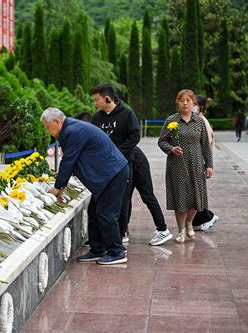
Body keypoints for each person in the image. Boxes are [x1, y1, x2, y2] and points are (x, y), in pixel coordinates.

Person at [41, 107, 129, 265]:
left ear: (56, 121)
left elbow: (68, 160)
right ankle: (98, 249)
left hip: (113, 173)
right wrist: (60, 188)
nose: (48, 132)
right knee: (94, 211)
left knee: (106, 213)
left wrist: (57, 187)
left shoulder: (73, 130)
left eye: (48, 127)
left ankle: (116, 252)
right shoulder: (68, 130)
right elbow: (72, 161)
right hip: (108, 174)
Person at [158, 89, 213, 244]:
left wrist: (209, 165)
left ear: (193, 103)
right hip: (177, 165)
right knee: (181, 198)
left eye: (188, 100)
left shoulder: (199, 121)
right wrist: (171, 149)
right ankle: (181, 229)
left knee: (196, 197)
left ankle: (190, 222)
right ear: (178, 103)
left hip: (196, 164)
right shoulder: (171, 121)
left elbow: (205, 146)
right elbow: (162, 141)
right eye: (182, 100)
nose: (185, 103)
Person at [90, 83, 140, 244]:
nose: (95, 103)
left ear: (107, 98)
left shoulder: (127, 114)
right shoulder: (96, 118)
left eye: (97, 100)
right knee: (99, 203)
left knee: (123, 201)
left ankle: (120, 233)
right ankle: (100, 238)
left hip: (124, 165)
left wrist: (117, 153)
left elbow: (134, 136)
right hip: (103, 169)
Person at [129, 146, 173, 245]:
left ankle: (162, 229)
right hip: (128, 160)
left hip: (137, 161)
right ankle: (122, 229)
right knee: (125, 196)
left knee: (147, 196)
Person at [192, 95, 219, 231]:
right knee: (195, 191)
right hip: (196, 161)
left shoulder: (202, 121)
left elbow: (206, 143)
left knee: (197, 192)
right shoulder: (196, 120)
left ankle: (208, 216)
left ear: (201, 107)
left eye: (194, 103)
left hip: (200, 162)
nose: (192, 106)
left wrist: (208, 164)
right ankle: (199, 219)